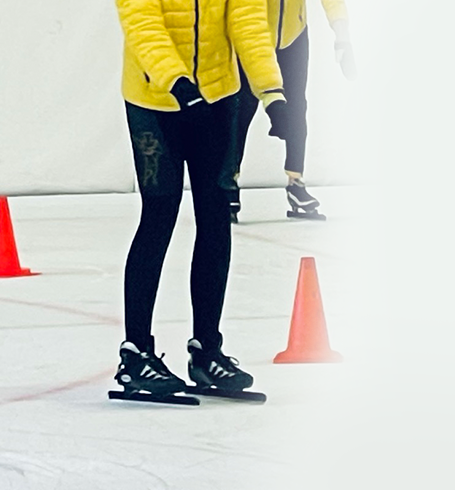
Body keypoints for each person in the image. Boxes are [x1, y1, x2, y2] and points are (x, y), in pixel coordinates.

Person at [113, 0, 287, 396]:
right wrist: (176, 81)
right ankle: (136, 352)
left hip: (216, 96)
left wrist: (272, 91)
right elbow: (141, 22)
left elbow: (247, 19)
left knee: (215, 216)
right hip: (156, 99)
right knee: (159, 214)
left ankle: (207, 350)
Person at [226, 0, 356, 221]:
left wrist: (342, 35)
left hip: (293, 35)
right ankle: (229, 179)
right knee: (241, 108)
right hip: (253, 34)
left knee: (296, 107)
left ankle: (296, 182)